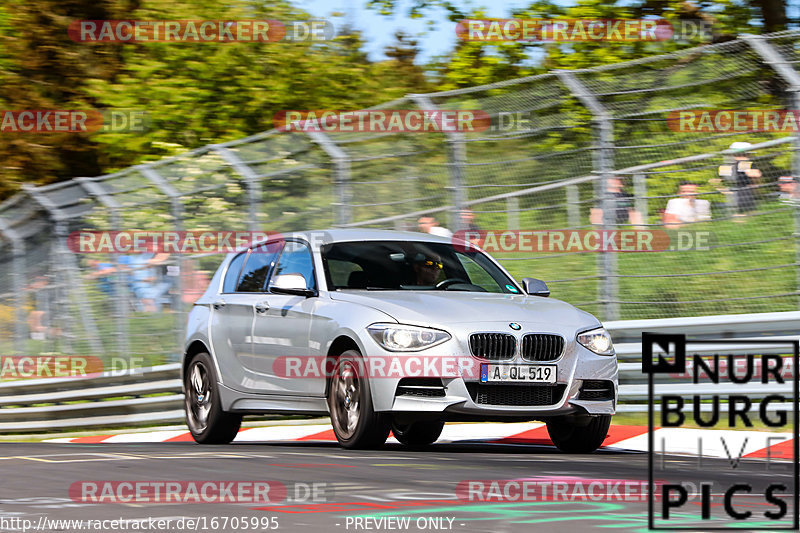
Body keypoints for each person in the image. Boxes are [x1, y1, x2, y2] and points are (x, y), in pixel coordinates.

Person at [716, 141, 762, 216]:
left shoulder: (726, 165)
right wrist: (756, 184)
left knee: (735, 216)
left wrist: (723, 190)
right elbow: (755, 175)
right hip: (745, 193)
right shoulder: (745, 163)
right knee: (749, 215)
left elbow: (716, 181)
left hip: (731, 194)